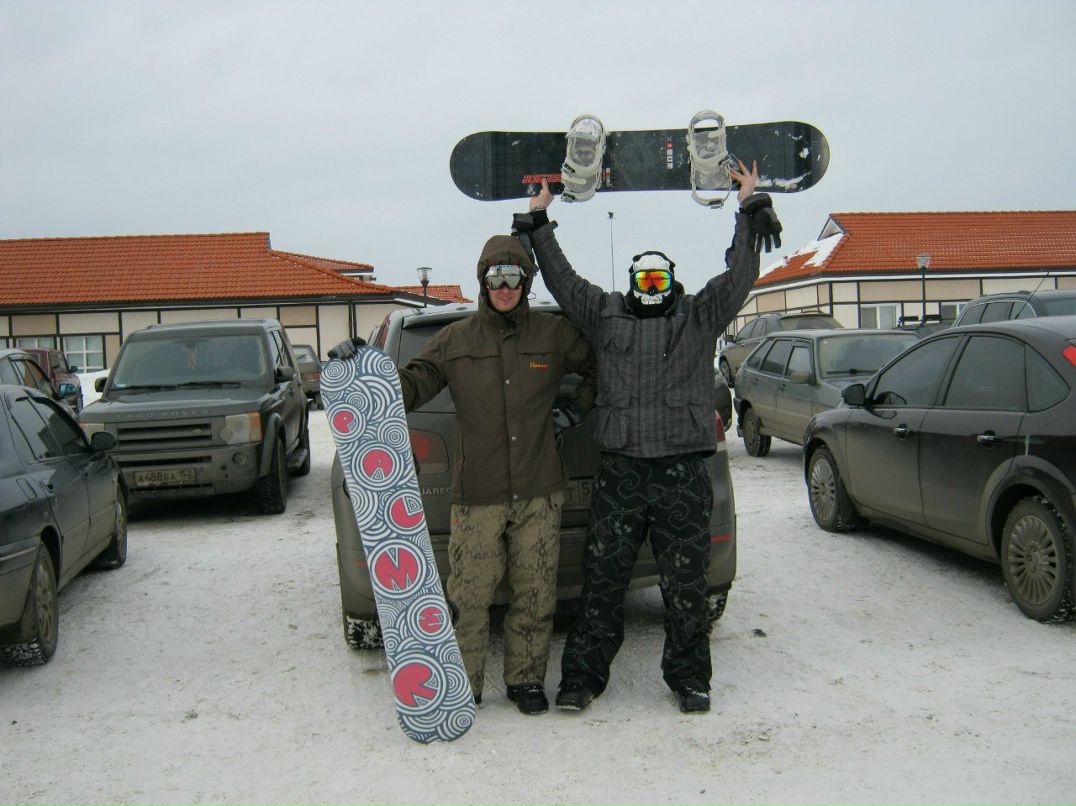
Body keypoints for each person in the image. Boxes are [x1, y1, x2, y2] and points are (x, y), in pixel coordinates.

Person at [511, 161, 781, 714]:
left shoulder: (698, 317)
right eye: (645, 281)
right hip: (623, 474)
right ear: (633, 283)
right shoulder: (605, 315)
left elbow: (739, 279)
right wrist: (539, 221)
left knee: (686, 587)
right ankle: (583, 678)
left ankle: (689, 678)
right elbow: (563, 281)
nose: (652, 289)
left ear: (672, 281)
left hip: (681, 473)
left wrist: (748, 211)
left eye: (661, 280)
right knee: (602, 582)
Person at [330, 234, 596, 715]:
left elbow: (602, 367)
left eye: (514, 276)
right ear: (483, 281)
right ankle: (464, 683)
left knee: (535, 592)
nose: (505, 286)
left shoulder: (552, 336)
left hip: (539, 489)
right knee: (469, 597)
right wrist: (363, 369)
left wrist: (574, 412)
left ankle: (525, 681)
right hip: (478, 493)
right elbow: (409, 384)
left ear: (525, 280)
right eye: (496, 276)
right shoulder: (455, 341)